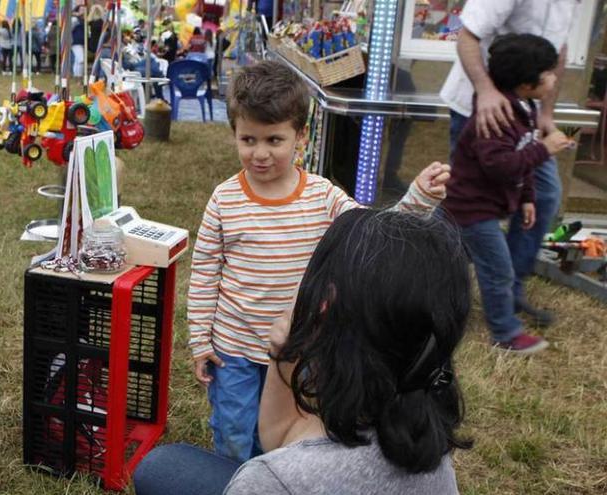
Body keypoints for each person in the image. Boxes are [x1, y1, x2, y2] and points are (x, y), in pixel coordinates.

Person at [186, 60, 451, 463]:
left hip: (302, 349)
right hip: (234, 350)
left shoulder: (323, 197)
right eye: (248, 139)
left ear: (302, 137)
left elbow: (369, 233)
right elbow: (205, 272)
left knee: (292, 439)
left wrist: (417, 199)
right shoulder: (224, 200)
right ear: (235, 135)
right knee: (235, 435)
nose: (259, 153)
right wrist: (200, 339)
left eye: (274, 140)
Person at [136, 208, 472, 494]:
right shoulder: (426, 442)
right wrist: (282, 350)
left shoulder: (271, 480)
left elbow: (283, 466)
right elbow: (283, 438)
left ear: (324, 307)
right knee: (161, 466)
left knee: (161, 467)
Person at [439, 0, 580, 328]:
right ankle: (441, 291)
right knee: (468, 208)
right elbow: (467, 36)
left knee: (543, 195)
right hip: (482, 106)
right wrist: (486, 92)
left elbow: (559, 49)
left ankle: (508, 292)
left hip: (526, 110)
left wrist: (545, 112)